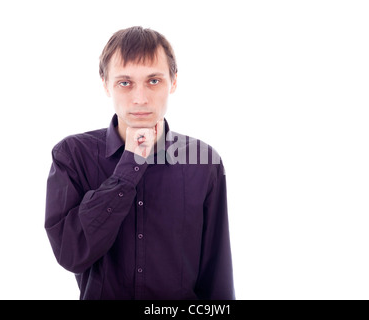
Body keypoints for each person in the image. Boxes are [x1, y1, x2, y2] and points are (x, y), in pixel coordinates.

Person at [44, 26, 235, 300]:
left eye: (154, 81)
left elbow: (216, 275)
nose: (140, 98)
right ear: (105, 84)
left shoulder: (204, 161)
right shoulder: (72, 155)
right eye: (125, 82)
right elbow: (70, 254)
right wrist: (129, 166)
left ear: (174, 81)